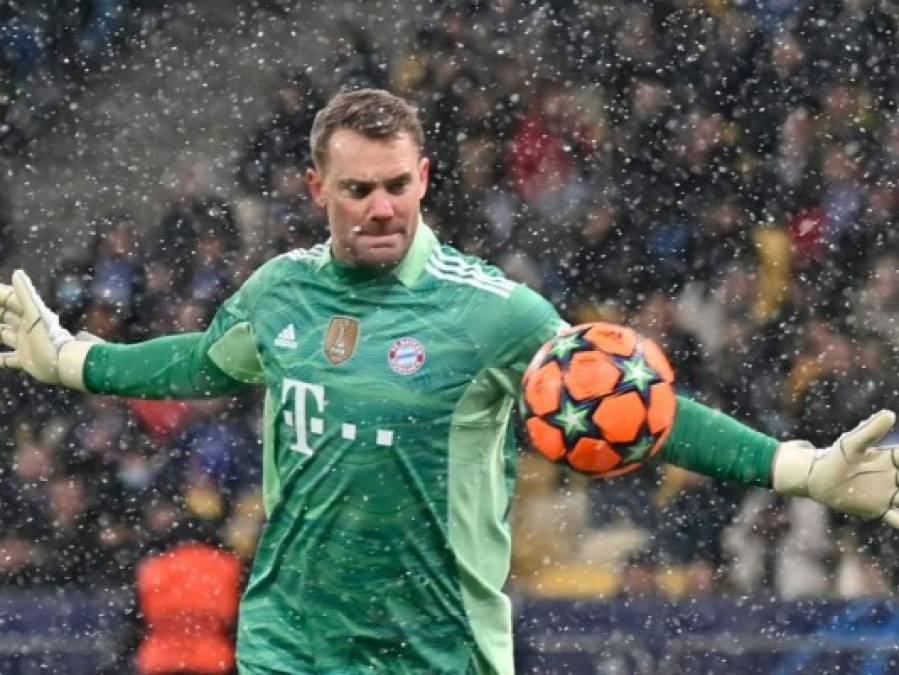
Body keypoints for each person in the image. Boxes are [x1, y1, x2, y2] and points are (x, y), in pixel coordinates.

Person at [1, 88, 898, 675]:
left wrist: (797, 467)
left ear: (425, 177)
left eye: (397, 184)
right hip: (290, 646)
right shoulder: (280, 291)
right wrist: (77, 360)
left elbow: (635, 407)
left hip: (440, 651)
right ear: (318, 186)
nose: (381, 206)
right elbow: (200, 358)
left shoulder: (493, 313)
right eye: (358, 190)